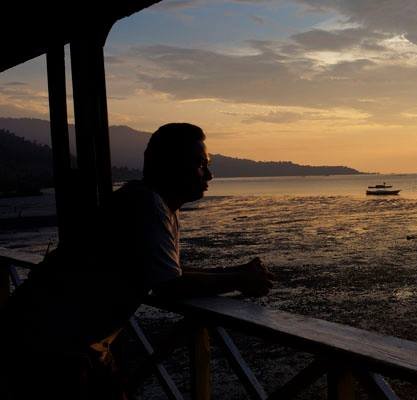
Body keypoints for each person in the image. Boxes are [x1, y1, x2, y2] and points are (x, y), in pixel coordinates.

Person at [0, 123, 274, 399]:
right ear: (172, 166)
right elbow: (170, 285)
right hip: (54, 350)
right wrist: (239, 280)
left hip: (61, 340)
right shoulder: (147, 206)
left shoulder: (149, 202)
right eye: (201, 164)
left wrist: (235, 271)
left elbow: (163, 270)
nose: (210, 174)